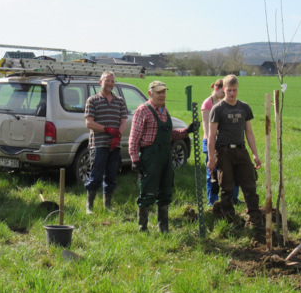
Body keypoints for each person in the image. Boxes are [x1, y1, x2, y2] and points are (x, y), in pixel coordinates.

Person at [129, 81, 197, 233]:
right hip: (150, 156)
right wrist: (135, 160)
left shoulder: (164, 111)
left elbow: (171, 135)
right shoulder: (143, 111)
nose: (161, 95)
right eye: (158, 92)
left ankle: (163, 227)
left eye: (163, 92)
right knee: (147, 191)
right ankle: (143, 227)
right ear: (150, 93)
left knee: (166, 190)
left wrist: (187, 131)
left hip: (166, 156)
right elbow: (134, 138)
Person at [207, 74, 262, 228]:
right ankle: (230, 220)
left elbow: (249, 133)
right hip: (224, 152)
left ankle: (254, 218)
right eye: (229, 90)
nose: (232, 93)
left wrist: (255, 154)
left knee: (250, 185)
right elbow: (211, 136)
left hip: (241, 150)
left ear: (238, 89)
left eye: (234, 90)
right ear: (223, 89)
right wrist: (211, 158)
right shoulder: (217, 109)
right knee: (227, 187)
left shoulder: (244, 108)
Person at [84, 71, 127, 214]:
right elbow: (89, 123)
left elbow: (123, 121)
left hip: (115, 146)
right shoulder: (92, 100)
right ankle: (89, 206)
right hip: (98, 144)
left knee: (111, 175)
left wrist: (118, 136)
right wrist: (107, 129)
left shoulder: (120, 101)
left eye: (112, 81)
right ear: (100, 82)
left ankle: (107, 205)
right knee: (95, 175)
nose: (110, 84)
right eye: (107, 80)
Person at [201, 79, 241, 206]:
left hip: (224, 142)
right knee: (212, 172)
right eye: (223, 91)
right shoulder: (207, 104)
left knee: (231, 171)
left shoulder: (222, 104)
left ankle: (232, 198)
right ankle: (212, 201)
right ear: (217, 89)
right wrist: (212, 144)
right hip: (211, 141)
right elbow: (206, 127)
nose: (225, 95)